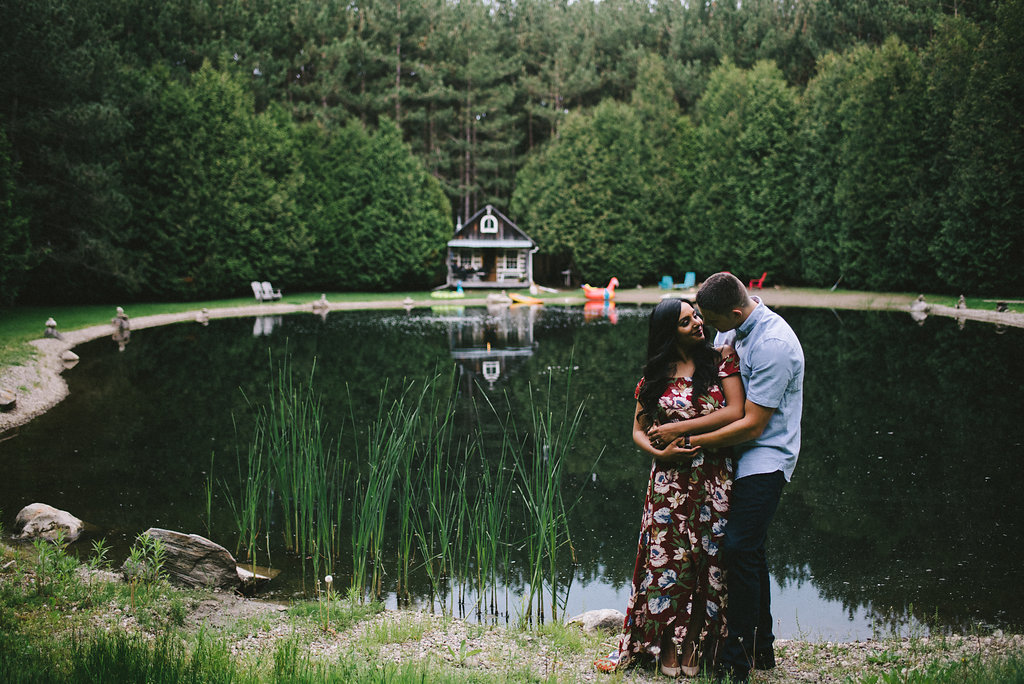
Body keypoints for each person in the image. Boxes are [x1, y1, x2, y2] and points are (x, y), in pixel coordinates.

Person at [649, 272, 804, 683]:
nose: (706, 330)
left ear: (734, 312)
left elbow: (751, 424)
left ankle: (737, 660)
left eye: (711, 321)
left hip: (766, 455)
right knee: (750, 550)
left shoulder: (773, 345)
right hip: (736, 455)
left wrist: (688, 434)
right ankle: (761, 647)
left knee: (737, 548)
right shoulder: (731, 334)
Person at [596, 298, 745, 677]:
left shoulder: (720, 359)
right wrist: (665, 454)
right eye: (685, 321)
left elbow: (734, 411)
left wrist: (679, 429)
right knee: (667, 563)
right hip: (668, 484)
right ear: (668, 332)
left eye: (696, 314)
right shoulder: (654, 376)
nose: (697, 322)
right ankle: (664, 643)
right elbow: (638, 431)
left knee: (707, 562)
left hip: (714, 478)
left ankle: (694, 641)